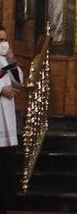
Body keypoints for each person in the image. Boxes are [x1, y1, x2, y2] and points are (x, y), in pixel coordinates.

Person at [0, 27, 23, 213]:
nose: (4, 43)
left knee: (6, 163)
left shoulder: (5, 60)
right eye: (0, 40)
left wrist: (12, 62)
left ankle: (6, 202)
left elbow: (19, 81)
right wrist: (1, 90)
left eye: (5, 39)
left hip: (6, 116)